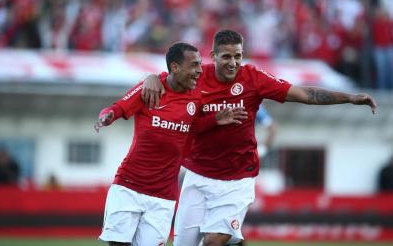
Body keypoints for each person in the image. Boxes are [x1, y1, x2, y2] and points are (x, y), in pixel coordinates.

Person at [142, 29, 377, 246]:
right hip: (198, 175)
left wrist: (350, 98)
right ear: (213, 56)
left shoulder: (253, 78)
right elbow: (168, 78)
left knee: (213, 242)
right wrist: (151, 77)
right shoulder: (196, 77)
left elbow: (305, 93)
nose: (233, 63)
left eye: (238, 56)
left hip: (237, 180)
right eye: (226, 57)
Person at [94, 42, 247, 246]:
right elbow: (119, 107)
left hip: (163, 196)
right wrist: (106, 117)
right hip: (129, 187)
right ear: (175, 67)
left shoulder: (197, 96)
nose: (199, 71)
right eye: (194, 65)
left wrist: (214, 120)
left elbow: (189, 129)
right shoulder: (151, 90)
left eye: (200, 65)